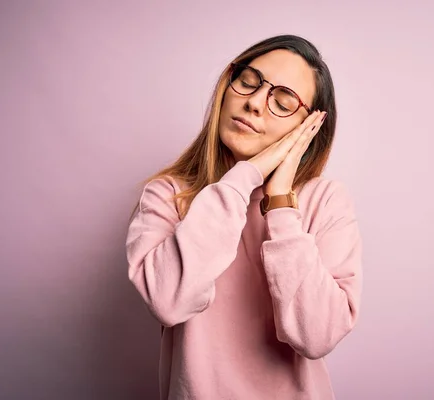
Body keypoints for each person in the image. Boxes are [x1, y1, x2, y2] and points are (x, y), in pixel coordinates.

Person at [125, 34, 363, 400]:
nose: (253, 103)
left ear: (308, 128)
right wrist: (244, 178)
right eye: (249, 82)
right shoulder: (166, 195)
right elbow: (168, 301)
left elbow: (318, 335)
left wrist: (281, 204)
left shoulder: (324, 200)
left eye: (282, 101)